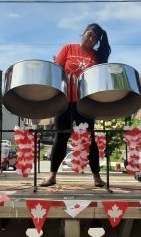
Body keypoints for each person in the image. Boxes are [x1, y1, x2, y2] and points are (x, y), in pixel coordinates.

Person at [39, 23, 111, 187]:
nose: (90, 39)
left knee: (89, 138)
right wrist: (66, 75)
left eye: (94, 38)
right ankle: (52, 176)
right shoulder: (68, 48)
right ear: (83, 33)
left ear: (96, 42)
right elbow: (57, 70)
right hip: (64, 101)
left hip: (84, 103)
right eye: (89, 34)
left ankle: (96, 177)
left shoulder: (96, 56)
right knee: (61, 136)